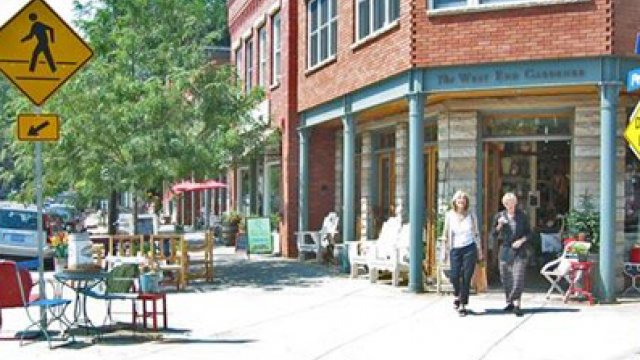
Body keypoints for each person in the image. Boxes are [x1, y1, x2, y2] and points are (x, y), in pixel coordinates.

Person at [441, 190, 483, 316]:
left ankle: (463, 304)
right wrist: (444, 252)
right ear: (454, 201)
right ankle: (456, 294)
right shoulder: (449, 215)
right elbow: (445, 234)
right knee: (454, 275)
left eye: (463, 199)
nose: (461, 201)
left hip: (469, 247)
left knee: (466, 276)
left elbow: (476, 233)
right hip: (455, 248)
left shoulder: (471, 215)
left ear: (466, 202)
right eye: (459, 199)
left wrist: (480, 250)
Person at [490, 192, 532, 317]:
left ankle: (517, 304)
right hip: (505, 250)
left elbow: (530, 233)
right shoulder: (499, 216)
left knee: (518, 277)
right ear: (504, 204)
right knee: (506, 277)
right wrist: (499, 225)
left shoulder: (522, 216)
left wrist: (521, 240)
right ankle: (510, 302)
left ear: (515, 203)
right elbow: (493, 234)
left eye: (512, 202)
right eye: (507, 203)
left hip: (520, 250)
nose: (510, 205)